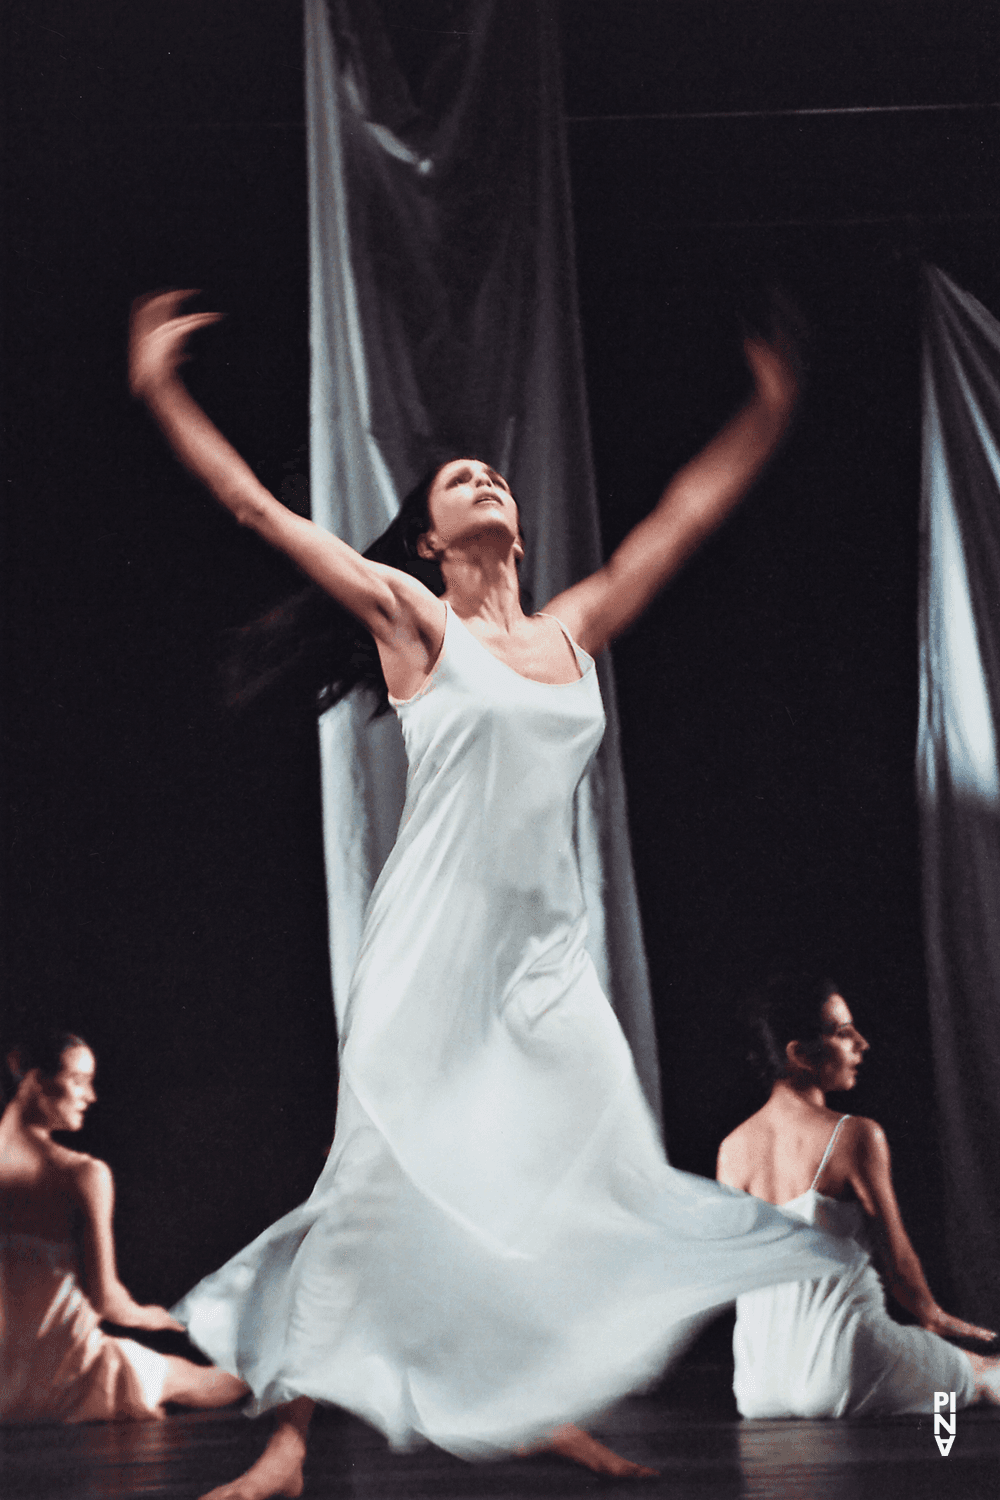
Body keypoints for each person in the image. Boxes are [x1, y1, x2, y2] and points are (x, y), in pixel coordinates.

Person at [129, 289, 858, 1500]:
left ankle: (536, 1404)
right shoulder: (414, 622)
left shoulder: (571, 633)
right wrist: (160, 388)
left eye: (494, 474)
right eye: (458, 478)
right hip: (431, 945)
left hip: (545, 958)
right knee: (371, 1186)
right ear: (425, 540)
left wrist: (769, 411)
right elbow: (256, 509)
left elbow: (678, 522)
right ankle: (291, 1446)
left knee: (571, 1174)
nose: (486, 479)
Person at [716, 974, 1000, 1418]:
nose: (862, 1044)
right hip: (842, 1366)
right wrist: (934, 1317)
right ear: (799, 1053)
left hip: (756, 1384)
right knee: (988, 1372)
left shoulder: (731, 1149)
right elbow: (899, 1261)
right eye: (843, 1033)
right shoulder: (855, 1135)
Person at [0, 1027, 249, 1422]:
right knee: (211, 1383)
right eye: (79, 1081)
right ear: (34, 1081)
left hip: (3, 1396)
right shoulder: (81, 1174)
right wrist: (161, 1317)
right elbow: (107, 1301)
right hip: (70, 1376)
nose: (90, 1096)